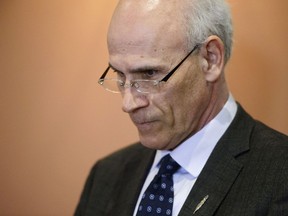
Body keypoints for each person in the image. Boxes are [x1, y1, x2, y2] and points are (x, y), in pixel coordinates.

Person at [75, 0, 288, 215]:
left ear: (211, 59)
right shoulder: (105, 176)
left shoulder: (280, 176)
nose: (128, 103)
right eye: (120, 75)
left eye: (149, 74)